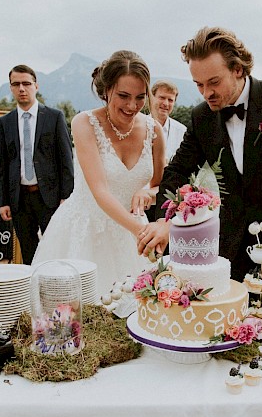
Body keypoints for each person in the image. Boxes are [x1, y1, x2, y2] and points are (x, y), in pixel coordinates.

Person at [138, 26, 262, 291]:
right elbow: (178, 171)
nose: (206, 93)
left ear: (238, 69)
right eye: (199, 84)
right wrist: (163, 221)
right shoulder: (201, 117)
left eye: (214, 82)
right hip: (229, 247)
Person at [32, 50, 165, 293]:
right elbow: (100, 190)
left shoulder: (154, 130)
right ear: (106, 91)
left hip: (134, 234)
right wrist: (141, 232)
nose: (132, 106)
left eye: (140, 97)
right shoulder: (84, 123)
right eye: (123, 96)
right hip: (85, 231)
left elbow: (160, 184)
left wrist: (149, 193)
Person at [0, 65, 74, 264]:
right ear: (11, 88)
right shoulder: (6, 122)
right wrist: (3, 201)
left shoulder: (54, 117)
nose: (21, 88)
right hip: (19, 199)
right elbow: (3, 163)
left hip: (49, 197)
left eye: (26, 84)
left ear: (36, 86)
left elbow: (66, 159)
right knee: (28, 251)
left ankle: (55, 290)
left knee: (54, 250)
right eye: (16, 84)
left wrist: (66, 197)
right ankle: (32, 291)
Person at [145, 80, 187, 222]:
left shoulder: (182, 131)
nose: (166, 103)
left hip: (170, 201)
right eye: (162, 98)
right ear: (151, 97)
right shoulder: (137, 127)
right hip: (143, 199)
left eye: (170, 100)